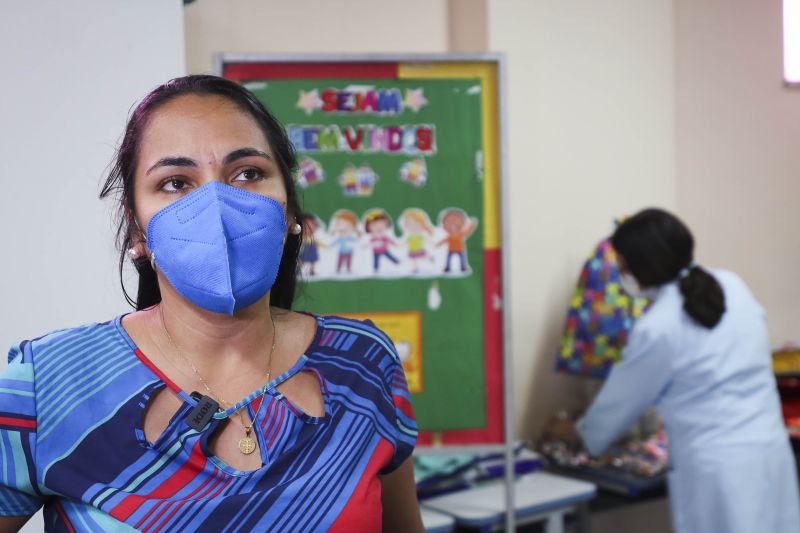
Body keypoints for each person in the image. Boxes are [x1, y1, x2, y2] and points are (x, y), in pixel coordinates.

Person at [0, 75, 422, 532]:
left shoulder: (362, 364)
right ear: (137, 229)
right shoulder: (47, 384)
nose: (216, 205)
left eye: (248, 174)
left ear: (290, 212)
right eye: (176, 182)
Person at [548, 208, 800, 533]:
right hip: (770, 452)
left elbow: (614, 411)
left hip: (718, 472)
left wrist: (570, 431)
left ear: (644, 266)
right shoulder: (732, 285)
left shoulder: (658, 327)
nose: (624, 276)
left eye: (624, 268)